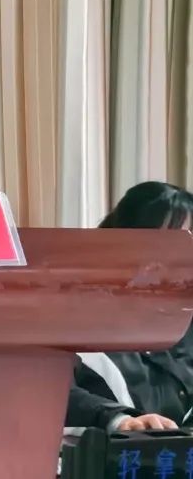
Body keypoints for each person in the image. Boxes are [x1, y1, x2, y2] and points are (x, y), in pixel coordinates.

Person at [65, 181, 193, 432]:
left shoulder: (185, 322)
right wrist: (118, 419)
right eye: (169, 244)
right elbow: (47, 390)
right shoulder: (74, 318)